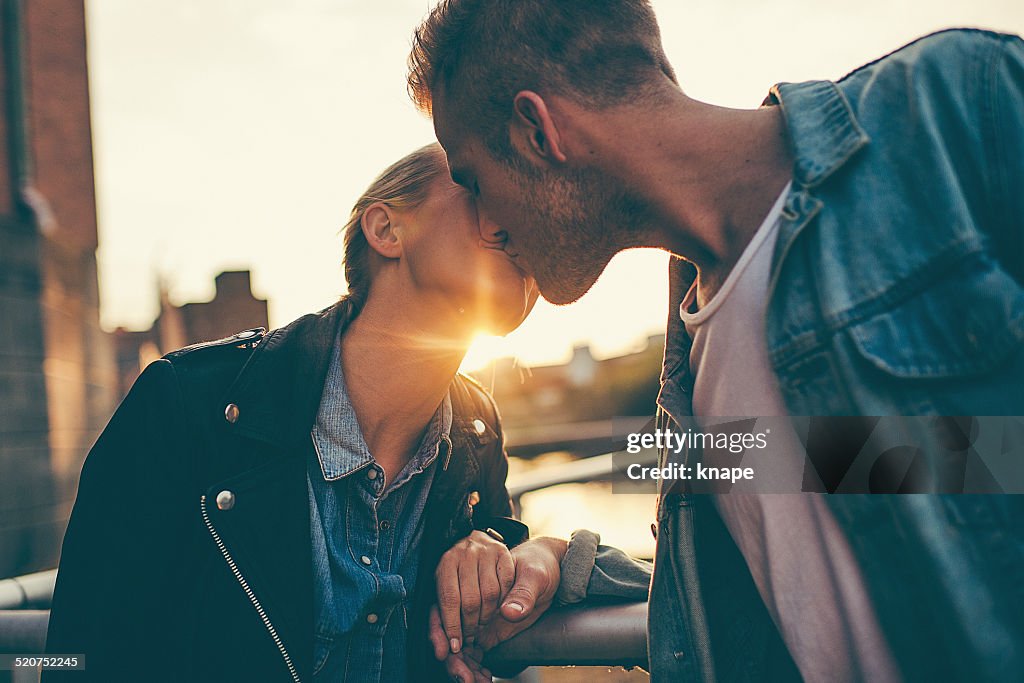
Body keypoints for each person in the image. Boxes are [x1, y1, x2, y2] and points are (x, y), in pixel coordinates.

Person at [407, 2, 1024, 681]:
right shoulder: (692, 350)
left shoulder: (954, 109)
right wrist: (553, 559)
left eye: (473, 180)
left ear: (538, 130)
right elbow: (804, 525)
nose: (486, 226)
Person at [43, 142, 566, 682]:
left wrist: (530, 552)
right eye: (476, 187)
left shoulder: (476, 428)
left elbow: (509, 627)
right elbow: (75, 658)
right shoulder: (184, 403)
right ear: (386, 230)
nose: (515, 213)